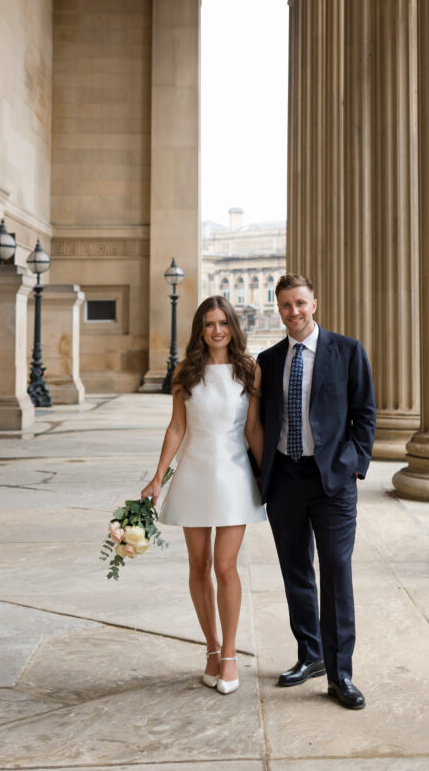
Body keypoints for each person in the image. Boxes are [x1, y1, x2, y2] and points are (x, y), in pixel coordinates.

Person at [257, 273, 376, 709]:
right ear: (279, 308)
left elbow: (365, 412)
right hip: (285, 479)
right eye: (286, 305)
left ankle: (341, 672)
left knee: (336, 573)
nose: (294, 311)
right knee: (296, 571)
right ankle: (310, 655)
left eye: (301, 303)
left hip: (332, 481)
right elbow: (260, 424)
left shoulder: (347, 351)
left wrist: (354, 464)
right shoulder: (268, 361)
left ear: (315, 304)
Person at [141, 295, 265, 696]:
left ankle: (229, 655)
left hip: (233, 476)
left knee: (225, 566)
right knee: (199, 565)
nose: (217, 331)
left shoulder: (249, 370)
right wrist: (157, 478)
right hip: (194, 473)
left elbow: (253, 431)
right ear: (200, 328)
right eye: (209, 324)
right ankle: (211, 648)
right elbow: (176, 428)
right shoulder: (185, 372)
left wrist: (269, 480)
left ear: (233, 325)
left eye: (223, 323)